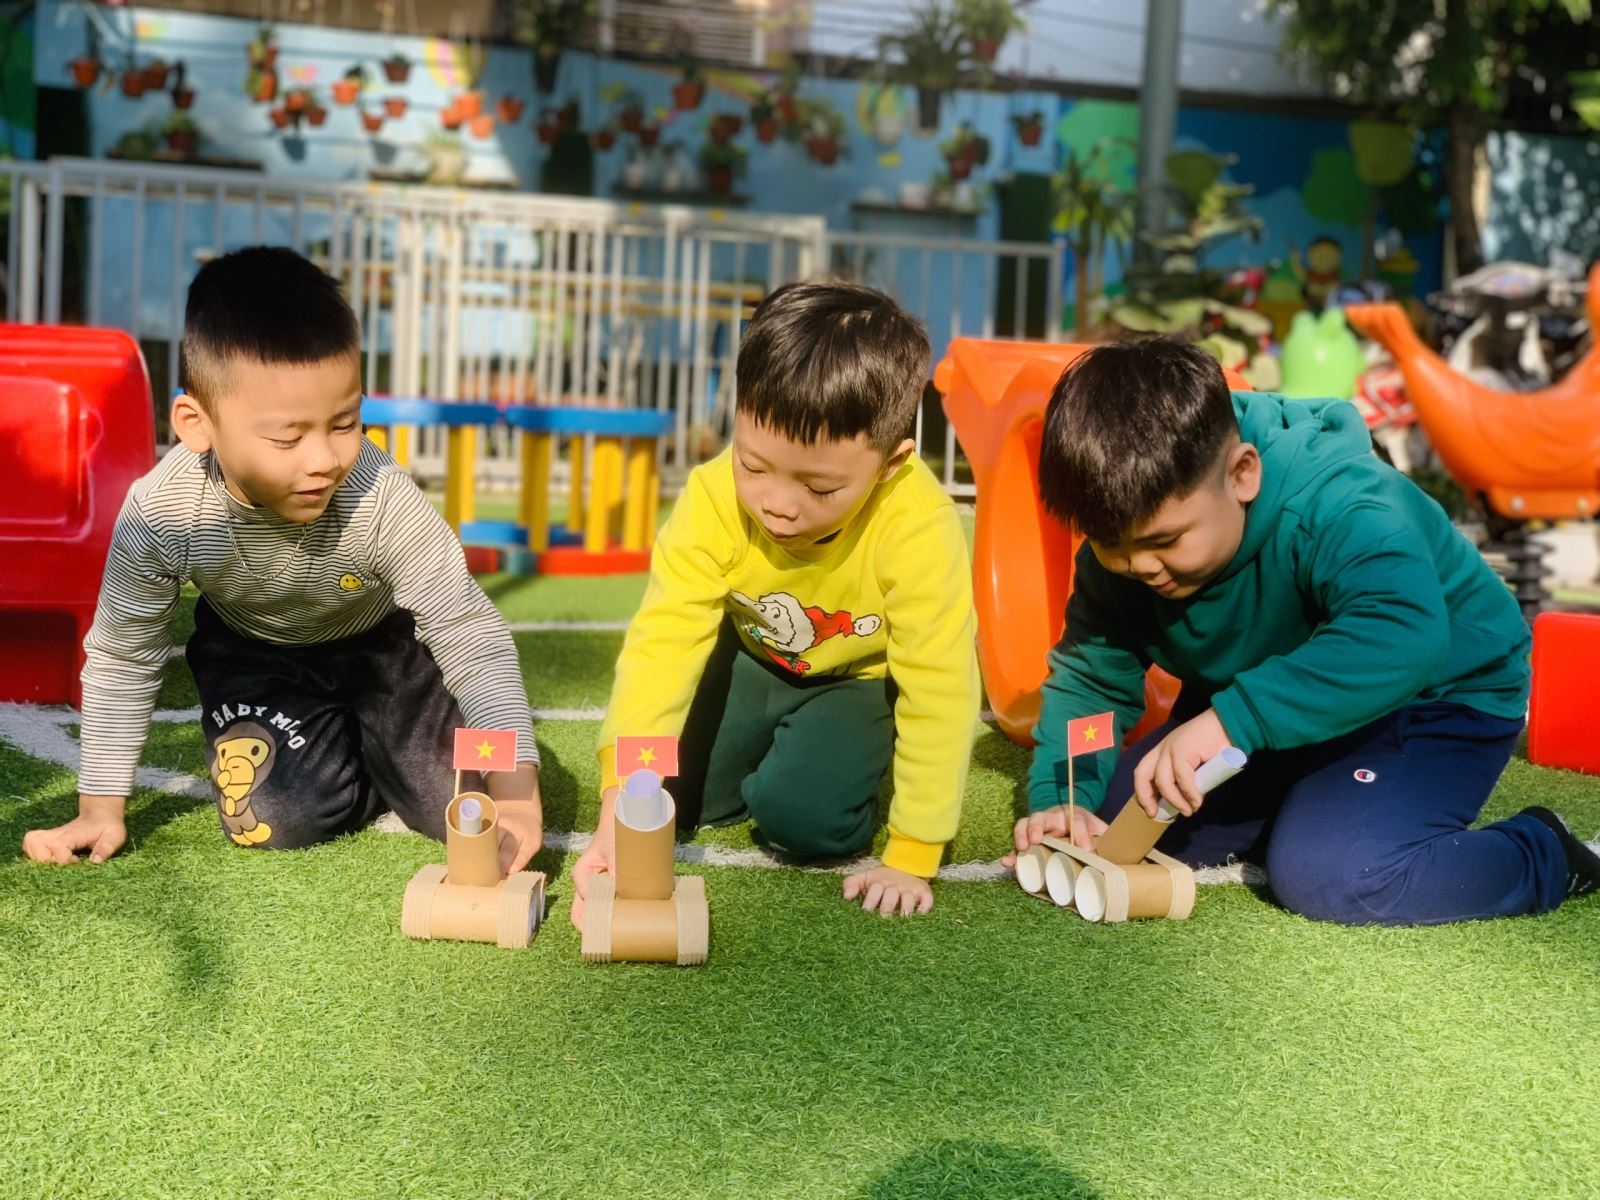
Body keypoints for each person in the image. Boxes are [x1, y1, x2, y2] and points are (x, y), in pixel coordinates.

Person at [1011, 338, 1599, 925]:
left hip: (1432, 698)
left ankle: (1545, 852)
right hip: (1271, 702)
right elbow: (1091, 687)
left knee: (1336, 874)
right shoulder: (1124, 552)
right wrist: (1065, 798)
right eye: (1111, 545)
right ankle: (1303, 802)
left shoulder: (1341, 504)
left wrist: (1230, 721)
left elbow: (1403, 635)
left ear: (1243, 474)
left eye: (1165, 541)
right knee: (1118, 821)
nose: (1139, 566)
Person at [21, 246, 542, 872]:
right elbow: (124, 654)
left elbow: (468, 632)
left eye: (345, 423)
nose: (323, 459)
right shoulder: (162, 512)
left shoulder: (382, 497)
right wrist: (100, 806)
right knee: (269, 819)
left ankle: (393, 746)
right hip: (255, 658)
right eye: (287, 437)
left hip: (390, 653)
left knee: (469, 808)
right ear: (196, 423)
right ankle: (360, 754)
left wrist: (518, 795)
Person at [572, 281, 980, 921]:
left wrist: (913, 852)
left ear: (891, 464)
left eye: (819, 488)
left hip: (854, 683)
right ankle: (765, 750)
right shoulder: (711, 498)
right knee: (676, 800)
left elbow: (941, 684)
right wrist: (623, 801)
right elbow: (662, 649)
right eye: (754, 466)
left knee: (804, 822)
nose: (778, 506)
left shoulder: (919, 526)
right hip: (748, 659)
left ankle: (825, 759)